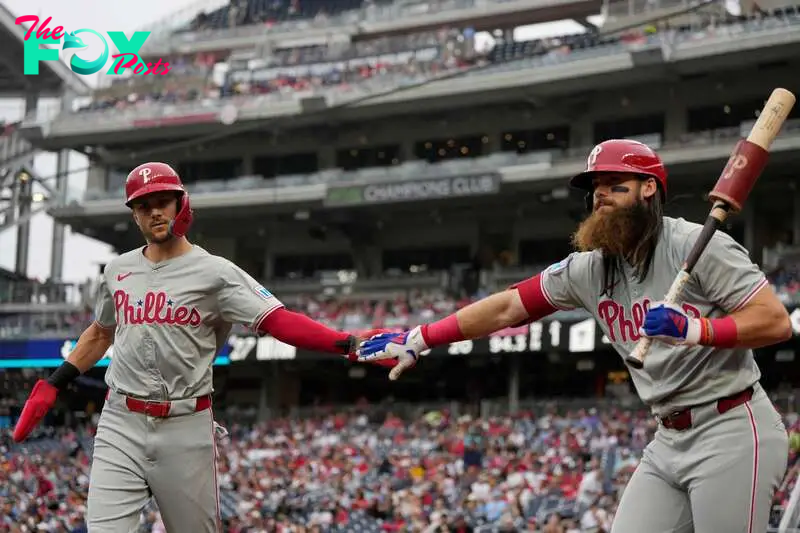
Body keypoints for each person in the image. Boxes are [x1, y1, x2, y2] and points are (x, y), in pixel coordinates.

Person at [358, 139, 793, 533]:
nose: (600, 193)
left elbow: (774, 322)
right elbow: (509, 305)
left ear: (648, 189)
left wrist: (696, 329)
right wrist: (422, 336)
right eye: (595, 187)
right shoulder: (589, 269)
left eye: (613, 183)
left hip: (732, 426)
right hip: (668, 437)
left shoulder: (696, 245)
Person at [12, 162, 396, 533]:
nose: (154, 212)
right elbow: (100, 333)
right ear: (134, 216)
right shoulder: (117, 270)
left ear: (181, 204)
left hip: (185, 423)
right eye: (144, 205)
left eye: (163, 201)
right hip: (120, 419)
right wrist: (54, 383)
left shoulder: (216, 272)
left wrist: (347, 343)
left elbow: (277, 320)